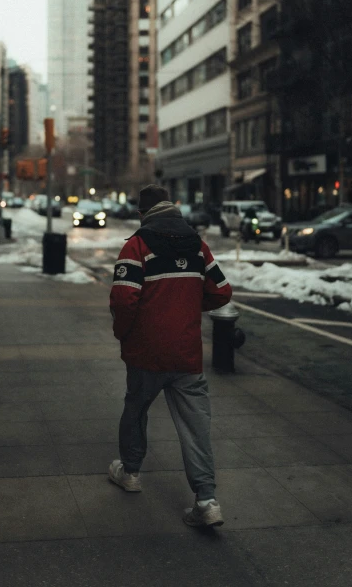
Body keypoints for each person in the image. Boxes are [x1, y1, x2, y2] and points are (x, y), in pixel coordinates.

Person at [108, 184, 232, 528]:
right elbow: (221, 291)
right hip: (186, 353)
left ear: (142, 214)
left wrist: (124, 333)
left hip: (146, 353)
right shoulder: (198, 247)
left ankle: (130, 473)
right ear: (173, 209)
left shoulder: (136, 247)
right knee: (195, 427)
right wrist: (190, 306)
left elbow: (123, 299)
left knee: (135, 410)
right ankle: (206, 501)